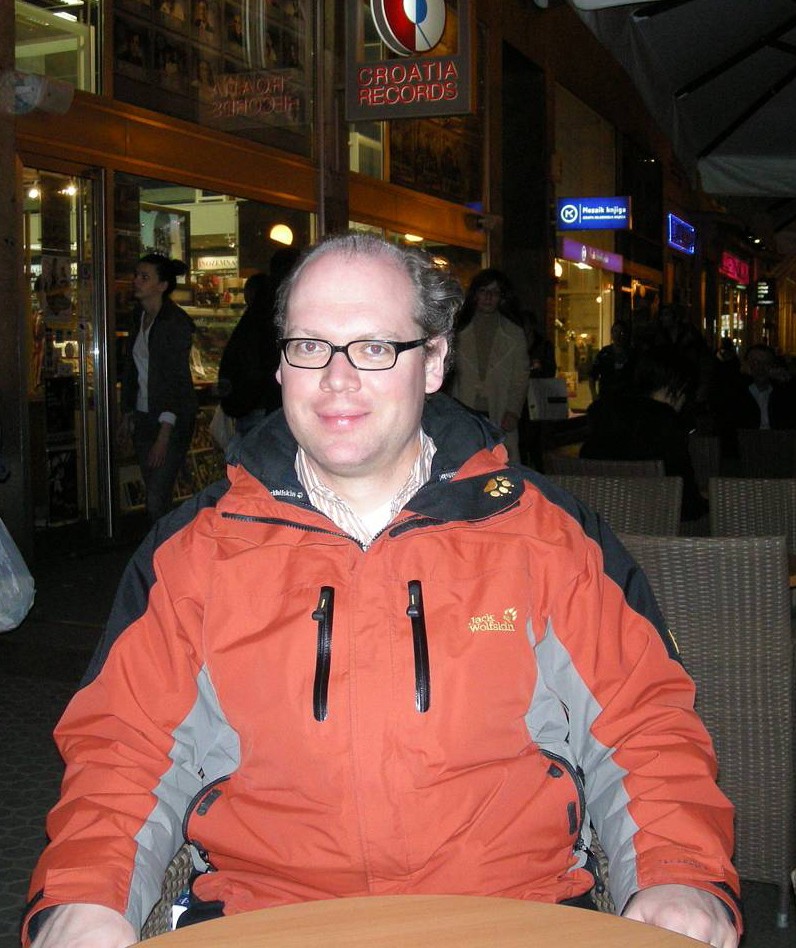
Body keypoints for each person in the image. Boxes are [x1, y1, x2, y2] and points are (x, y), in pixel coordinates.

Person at [24, 235, 740, 948]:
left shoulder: (545, 534)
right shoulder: (195, 551)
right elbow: (124, 747)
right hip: (268, 921)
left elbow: (643, 723)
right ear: (281, 364)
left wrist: (678, 872)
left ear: (433, 361)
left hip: (513, 915)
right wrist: (87, 894)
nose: (337, 379)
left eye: (373, 347)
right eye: (311, 346)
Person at [580, 346, 709, 522]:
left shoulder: (602, 415)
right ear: (677, 389)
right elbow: (685, 501)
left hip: (600, 520)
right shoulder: (667, 423)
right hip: (655, 525)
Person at [117, 253, 197, 523]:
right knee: (153, 487)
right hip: (144, 414)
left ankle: (165, 545)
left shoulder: (175, 323)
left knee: (157, 496)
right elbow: (132, 368)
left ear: (162, 285)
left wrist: (165, 433)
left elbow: (176, 381)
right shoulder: (139, 317)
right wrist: (128, 411)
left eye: (144, 277)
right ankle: (164, 541)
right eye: (136, 275)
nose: (136, 281)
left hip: (170, 418)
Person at [448, 268, 530, 462]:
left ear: (501, 298)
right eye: (483, 291)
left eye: (494, 292)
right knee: (466, 464)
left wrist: (513, 411)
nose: (488, 297)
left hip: (500, 412)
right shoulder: (458, 331)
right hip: (465, 411)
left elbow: (521, 377)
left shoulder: (514, 334)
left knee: (501, 466)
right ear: (475, 295)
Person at [588, 320, 634, 402]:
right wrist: (594, 395)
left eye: (621, 333)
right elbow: (592, 375)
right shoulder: (604, 353)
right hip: (606, 396)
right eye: (615, 332)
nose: (618, 335)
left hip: (626, 398)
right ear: (612, 334)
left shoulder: (632, 354)